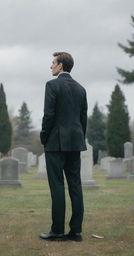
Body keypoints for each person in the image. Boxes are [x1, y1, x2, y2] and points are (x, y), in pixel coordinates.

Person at [39, 52, 88, 242]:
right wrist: (79, 139)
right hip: (75, 143)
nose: (51, 66)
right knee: (75, 185)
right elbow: (83, 119)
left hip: (56, 142)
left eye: (53, 63)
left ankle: (57, 231)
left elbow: (48, 115)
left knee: (57, 186)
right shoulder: (81, 89)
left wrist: (44, 136)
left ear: (60, 66)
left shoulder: (52, 85)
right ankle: (75, 231)